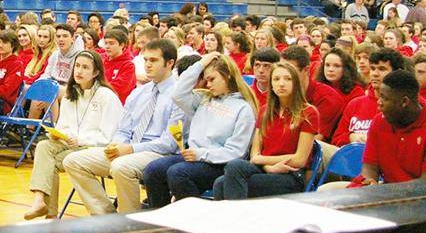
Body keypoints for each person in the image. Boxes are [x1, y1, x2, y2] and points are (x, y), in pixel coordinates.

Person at [63, 40, 182, 214]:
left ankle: (128, 221)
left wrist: (130, 149)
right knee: (73, 161)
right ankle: (105, 216)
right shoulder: (139, 93)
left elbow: (169, 143)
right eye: (146, 60)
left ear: (170, 63)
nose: (147, 65)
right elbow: (123, 129)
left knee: (121, 166)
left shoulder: (179, 96)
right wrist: (116, 144)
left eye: (154, 60)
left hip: (158, 153)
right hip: (127, 149)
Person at [141, 53, 257, 208]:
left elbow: (237, 152)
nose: (207, 84)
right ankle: (165, 223)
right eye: (206, 79)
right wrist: (201, 63)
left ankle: (193, 221)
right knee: (152, 171)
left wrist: (202, 154)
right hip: (194, 158)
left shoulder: (244, 108)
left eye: (212, 79)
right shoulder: (204, 99)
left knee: (178, 173)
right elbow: (177, 93)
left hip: (218, 163)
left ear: (228, 76)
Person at [23, 51, 123, 219]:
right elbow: (64, 125)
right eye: (77, 66)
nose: (79, 71)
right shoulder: (71, 94)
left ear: (96, 72)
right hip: (71, 145)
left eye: (85, 67)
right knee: (44, 145)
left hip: (94, 148)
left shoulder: (107, 96)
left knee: (50, 162)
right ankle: (39, 200)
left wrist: (79, 139)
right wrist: (59, 135)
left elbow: (108, 136)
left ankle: (50, 214)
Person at [212, 61, 317, 199]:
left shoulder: (308, 112)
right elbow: (255, 154)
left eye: (287, 79)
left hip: (290, 174)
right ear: (271, 85)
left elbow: (299, 160)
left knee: (223, 183)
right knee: (231, 169)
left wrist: (263, 161)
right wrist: (269, 167)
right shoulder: (264, 111)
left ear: (296, 83)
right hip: (265, 168)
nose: (281, 83)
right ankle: (236, 218)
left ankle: (234, 219)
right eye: (276, 79)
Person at [352, 70, 426, 186]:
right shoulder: (379, 121)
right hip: (383, 192)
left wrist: (381, 191)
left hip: (420, 199)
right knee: (328, 191)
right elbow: (369, 168)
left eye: (384, 98)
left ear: (404, 102)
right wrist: (369, 183)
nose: (379, 102)